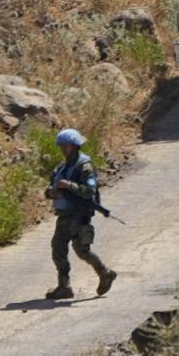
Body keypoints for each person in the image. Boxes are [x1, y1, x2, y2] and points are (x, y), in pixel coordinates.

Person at [43, 128, 116, 300]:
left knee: (81, 250)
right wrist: (50, 193)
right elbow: (50, 187)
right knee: (58, 248)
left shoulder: (85, 167)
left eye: (66, 146)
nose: (63, 149)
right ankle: (64, 286)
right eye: (61, 146)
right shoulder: (62, 167)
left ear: (75, 146)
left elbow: (89, 191)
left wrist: (69, 186)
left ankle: (104, 273)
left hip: (78, 214)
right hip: (64, 214)